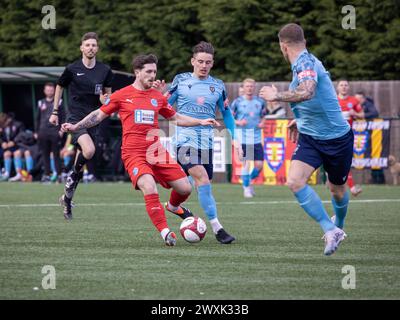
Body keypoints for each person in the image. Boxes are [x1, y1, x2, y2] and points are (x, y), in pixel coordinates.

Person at [61, 53, 219, 246]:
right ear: (137, 72)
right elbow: (98, 115)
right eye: (148, 71)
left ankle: (173, 206)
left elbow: (176, 118)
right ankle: (165, 232)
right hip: (133, 153)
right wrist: (76, 126)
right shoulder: (122, 95)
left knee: (185, 187)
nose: (153, 75)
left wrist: (200, 121)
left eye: (154, 71)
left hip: (156, 150)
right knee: (149, 186)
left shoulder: (157, 97)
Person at [260, 23, 353, 256]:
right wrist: (298, 120)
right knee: (294, 181)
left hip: (337, 138)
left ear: (283, 46)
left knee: (337, 189)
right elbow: (312, 99)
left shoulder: (304, 62)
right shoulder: (302, 63)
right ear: (304, 41)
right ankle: (329, 229)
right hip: (311, 138)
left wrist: (276, 96)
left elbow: (308, 91)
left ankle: (338, 226)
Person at [167, 41, 241, 244]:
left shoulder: (217, 85)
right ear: (192, 61)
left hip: (207, 142)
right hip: (184, 140)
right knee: (203, 179)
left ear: (212, 63)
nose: (203, 65)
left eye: (208, 62)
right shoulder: (180, 81)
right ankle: (218, 229)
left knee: (191, 185)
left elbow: (226, 114)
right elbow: (164, 106)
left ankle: (173, 206)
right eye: (200, 61)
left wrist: (235, 139)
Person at [49, 32, 114, 219]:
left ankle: (67, 199)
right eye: (87, 45)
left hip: (94, 118)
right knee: (90, 150)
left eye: (94, 45)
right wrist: (55, 111)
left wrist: (105, 100)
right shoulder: (72, 68)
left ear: (97, 48)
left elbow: (107, 96)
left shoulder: (105, 70)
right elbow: (60, 86)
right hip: (75, 116)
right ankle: (70, 181)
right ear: (81, 48)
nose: (91, 48)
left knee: (83, 157)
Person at [230, 78, 266, 198]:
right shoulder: (237, 102)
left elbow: (263, 116)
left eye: (251, 86)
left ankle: (248, 182)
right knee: (246, 164)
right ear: (243, 88)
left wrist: (262, 123)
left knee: (259, 165)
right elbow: (229, 118)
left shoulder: (260, 102)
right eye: (247, 86)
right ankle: (246, 188)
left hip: (255, 137)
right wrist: (238, 122)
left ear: (254, 87)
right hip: (243, 137)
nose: (249, 88)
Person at [337, 79, 364, 196]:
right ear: (337, 87)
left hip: (346, 137)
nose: (343, 87)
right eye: (341, 85)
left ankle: (350, 186)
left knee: (344, 161)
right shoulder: (332, 100)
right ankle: (349, 186)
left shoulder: (354, 101)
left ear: (348, 88)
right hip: (331, 136)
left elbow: (362, 115)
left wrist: (355, 114)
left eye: (345, 85)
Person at [36, 82, 64, 183]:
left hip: (55, 132)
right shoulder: (40, 102)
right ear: (44, 91)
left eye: (51, 90)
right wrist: (37, 132)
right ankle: (46, 175)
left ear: (54, 91)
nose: (49, 92)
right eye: (47, 90)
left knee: (56, 154)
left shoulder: (59, 102)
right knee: (45, 154)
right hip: (43, 132)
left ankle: (59, 175)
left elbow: (63, 117)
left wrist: (61, 130)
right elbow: (37, 119)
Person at [355, 91, 384, 184]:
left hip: (372, 134)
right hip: (362, 134)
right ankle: (375, 177)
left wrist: (362, 115)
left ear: (363, 98)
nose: (356, 100)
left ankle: (379, 178)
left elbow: (375, 113)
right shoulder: (357, 105)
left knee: (375, 154)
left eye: (358, 99)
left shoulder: (368, 104)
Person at [0, 113, 25, 181]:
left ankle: (19, 174)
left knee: (17, 153)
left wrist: (14, 142)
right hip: (7, 148)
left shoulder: (17, 124)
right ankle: (6, 174)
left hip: (18, 146)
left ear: (8, 120)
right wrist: (2, 143)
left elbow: (21, 135)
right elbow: (2, 138)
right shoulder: (2, 126)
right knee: (6, 154)